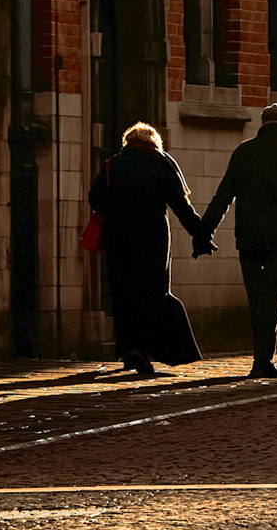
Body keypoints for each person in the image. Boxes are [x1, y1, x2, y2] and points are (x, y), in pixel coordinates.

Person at [200, 103, 277, 378]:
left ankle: (261, 358)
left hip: (249, 238)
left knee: (257, 297)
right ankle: (263, 361)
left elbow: (223, 196)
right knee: (271, 298)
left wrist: (204, 231)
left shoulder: (243, 152)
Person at [88, 122, 208, 376]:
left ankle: (128, 349)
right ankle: (144, 350)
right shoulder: (161, 165)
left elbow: (95, 197)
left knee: (123, 294)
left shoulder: (112, 165)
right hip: (152, 240)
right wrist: (201, 234)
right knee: (151, 294)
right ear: (153, 143)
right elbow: (180, 205)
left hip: (118, 240)